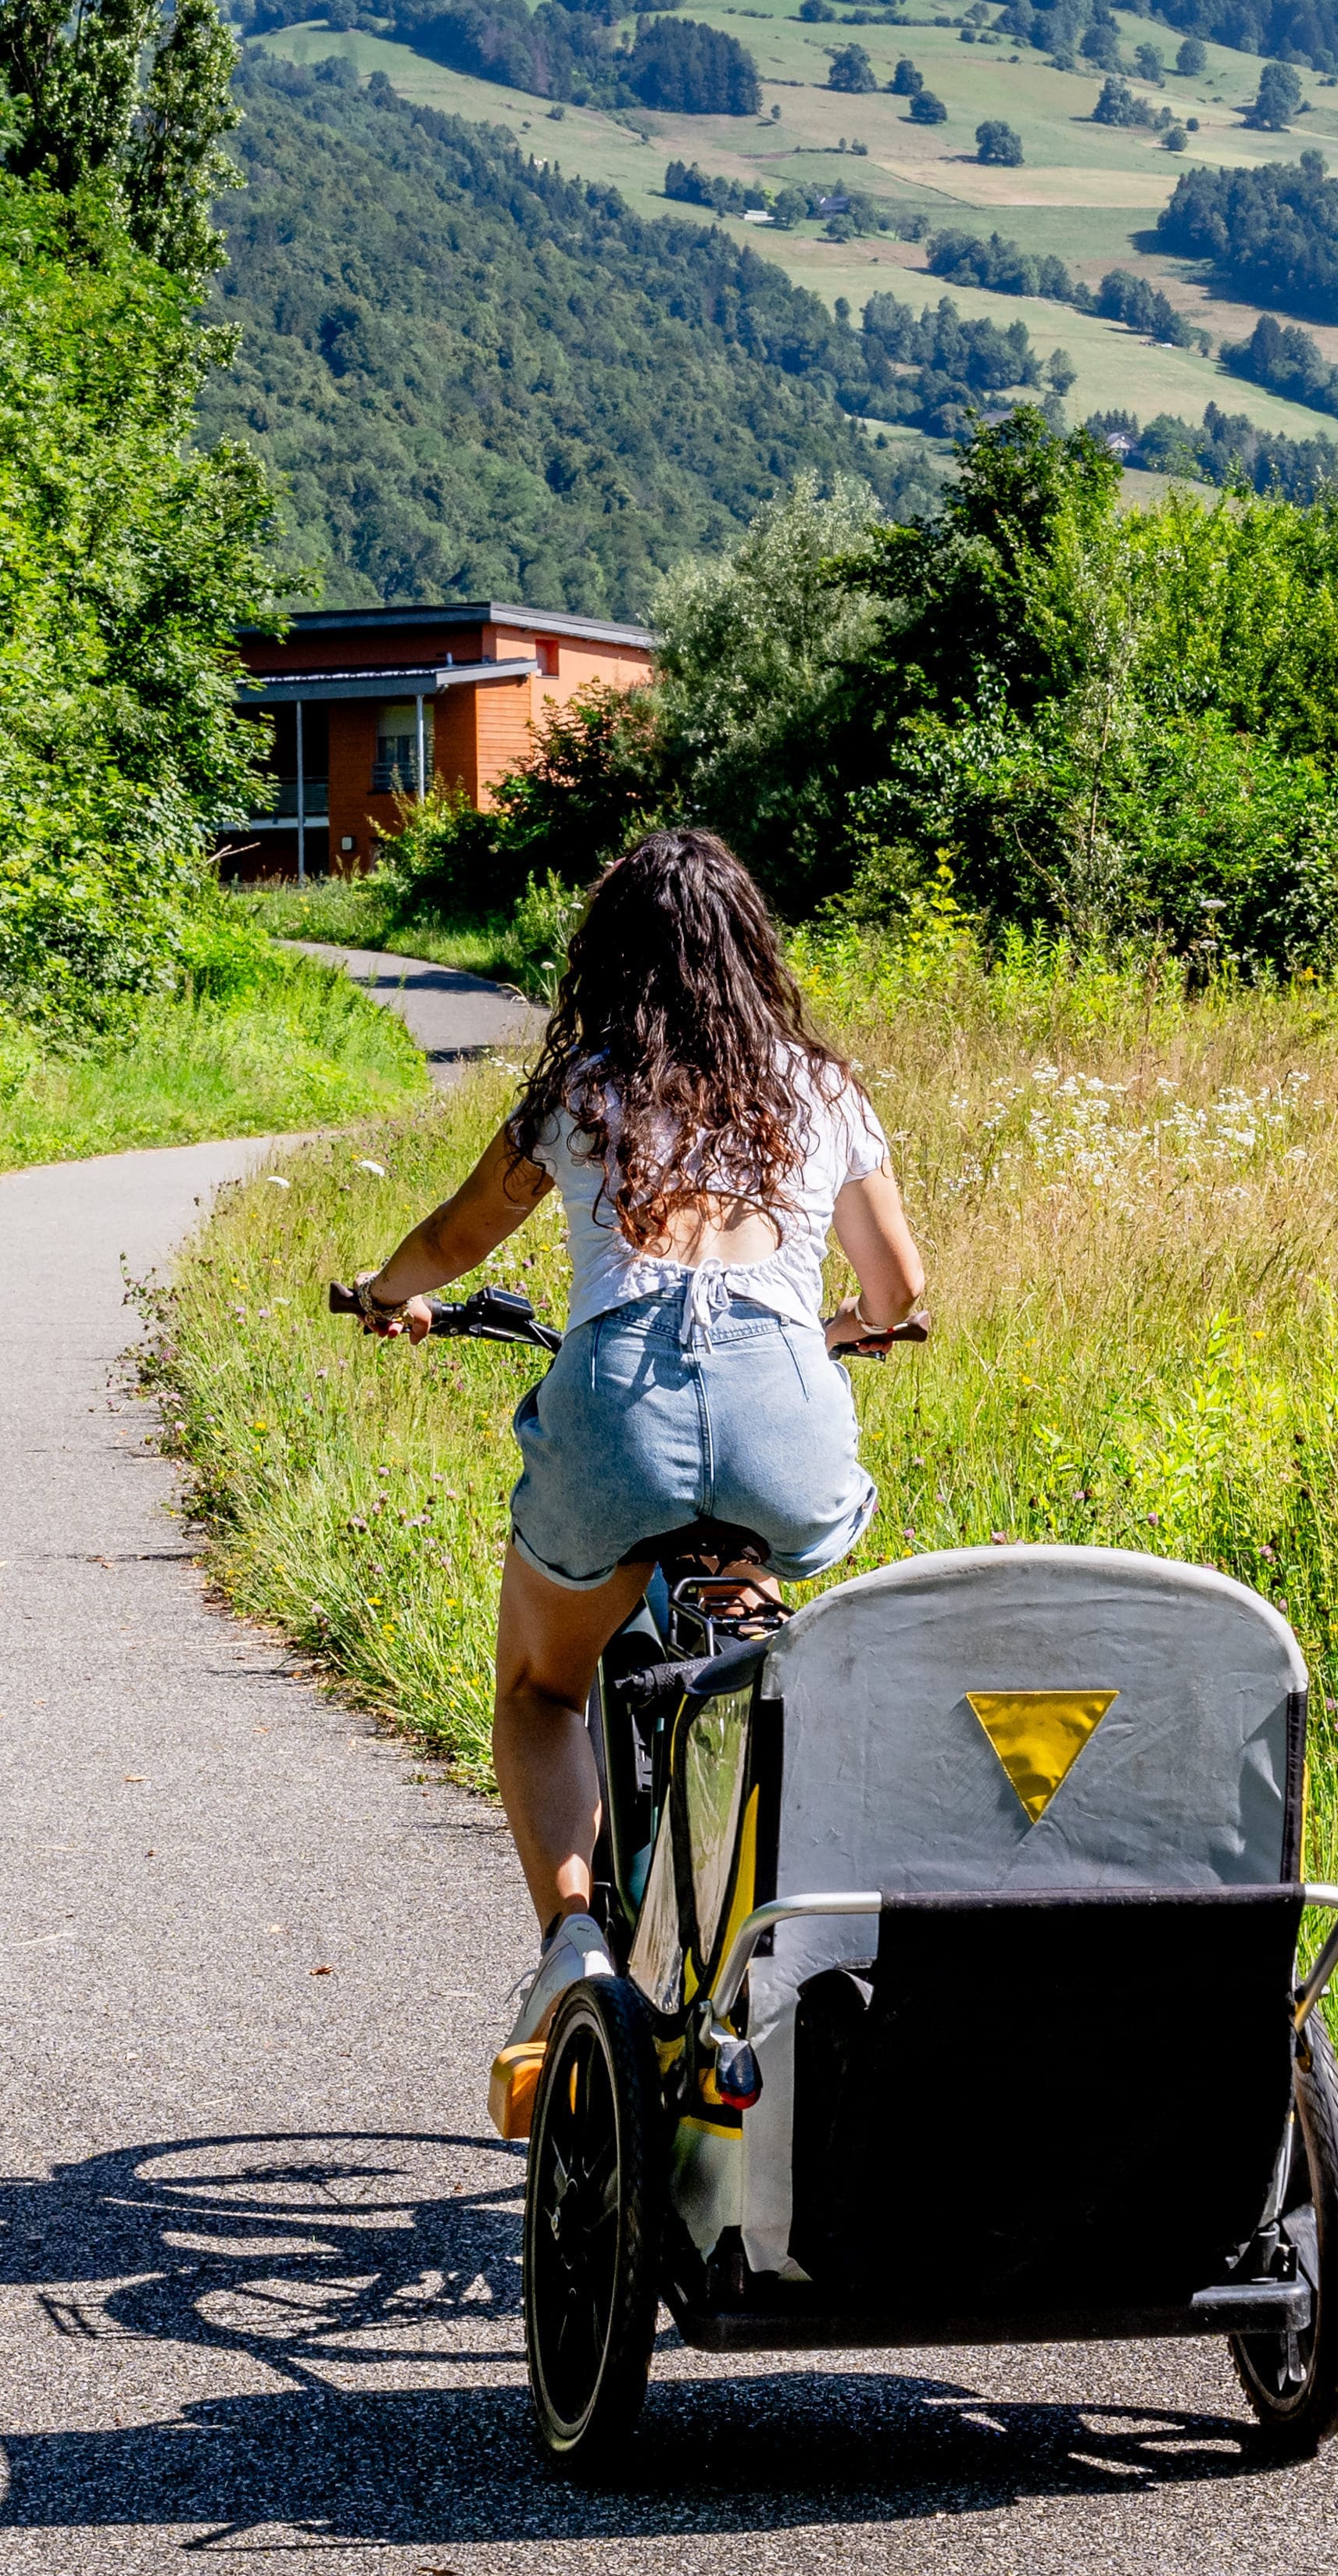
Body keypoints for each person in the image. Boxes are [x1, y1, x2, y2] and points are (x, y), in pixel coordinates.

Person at [337, 827, 924, 2131]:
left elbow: (451, 1235)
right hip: (784, 1431)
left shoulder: (587, 1092)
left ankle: (574, 1942)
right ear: (753, 953)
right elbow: (900, 1291)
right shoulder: (822, 1090)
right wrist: (830, 1334)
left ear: (608, 960)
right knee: (778, 1634)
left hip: (614, 1423)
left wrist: (389, 1296)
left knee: (542, 1688)